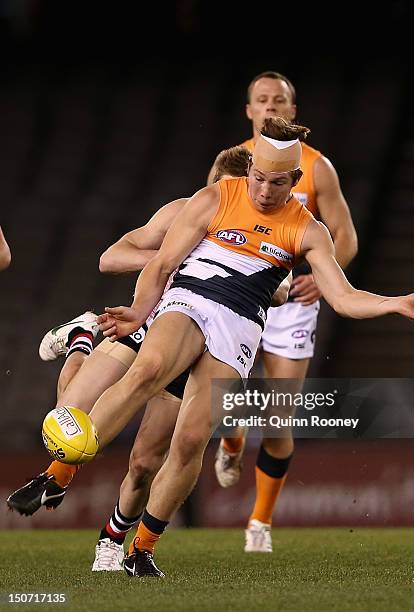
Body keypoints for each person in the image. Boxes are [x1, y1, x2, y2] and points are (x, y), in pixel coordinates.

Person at [71, 117, 414, 578]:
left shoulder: (306, 229)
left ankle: (141, 548)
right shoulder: (211, 199)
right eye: (257, 179)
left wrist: (397, 304)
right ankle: (67, 464)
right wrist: (140, 307)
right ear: (246, 173)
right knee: (137, 395)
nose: (264, 190)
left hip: (236, 329)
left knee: (188, 441)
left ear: (293, 181)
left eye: (276, 182)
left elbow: (342, 297)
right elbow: (150, 260)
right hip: (178, 308)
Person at [7, 146, 287, 571]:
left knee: (144, 461)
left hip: (206, 346)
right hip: (153, 325)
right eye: (218, 189)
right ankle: (82, 341)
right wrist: (179, 258)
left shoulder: (268, 227)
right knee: (68, 413)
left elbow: (280, 289)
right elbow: (110, 257)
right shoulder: (184, 211)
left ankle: (115, 540)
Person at [209, 71, 358, 552]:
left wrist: (323, 274)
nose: (271, 107)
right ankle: (231, 440)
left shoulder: (317, 168)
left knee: (278, 416)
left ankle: (260, 524)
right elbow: (204, 218)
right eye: (262, 100)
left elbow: (344, 235)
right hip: (239, 293)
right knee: (228, 398)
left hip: (291, 304)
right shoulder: (233, 163)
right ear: (249, 110)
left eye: (280, 101)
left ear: (293, 113)